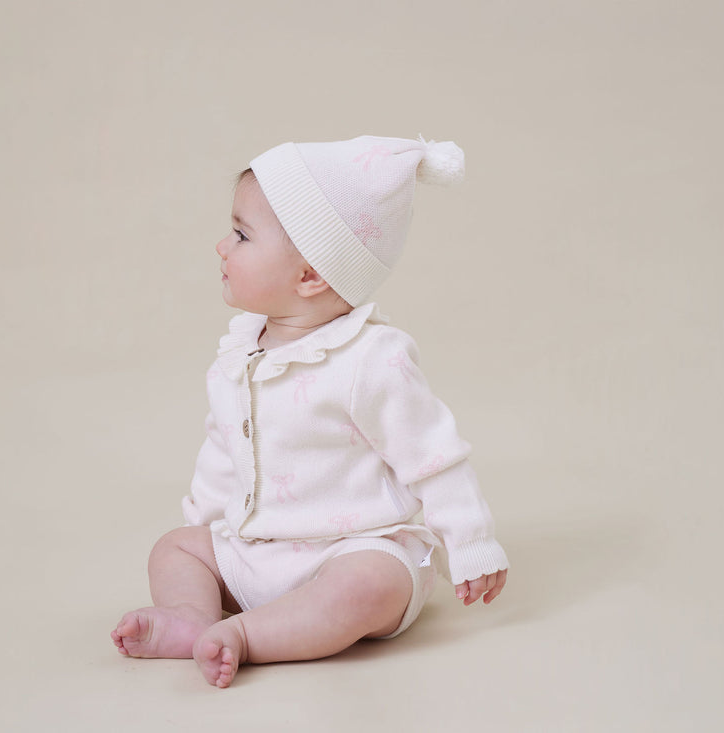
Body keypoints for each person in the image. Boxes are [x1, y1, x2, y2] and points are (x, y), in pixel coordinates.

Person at [111, 135, 509, 688]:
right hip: (257, 552)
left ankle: (248, 637)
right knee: (174, 548)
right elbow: (223, 451)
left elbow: (433, 456)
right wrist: (209, 538)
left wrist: (471, 542)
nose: (221, 247)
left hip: (351, 552)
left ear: (310, 276)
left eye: (241, 235)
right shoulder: (240, 354)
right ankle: (194, 619)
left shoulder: (371, 358)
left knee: (375, 582)